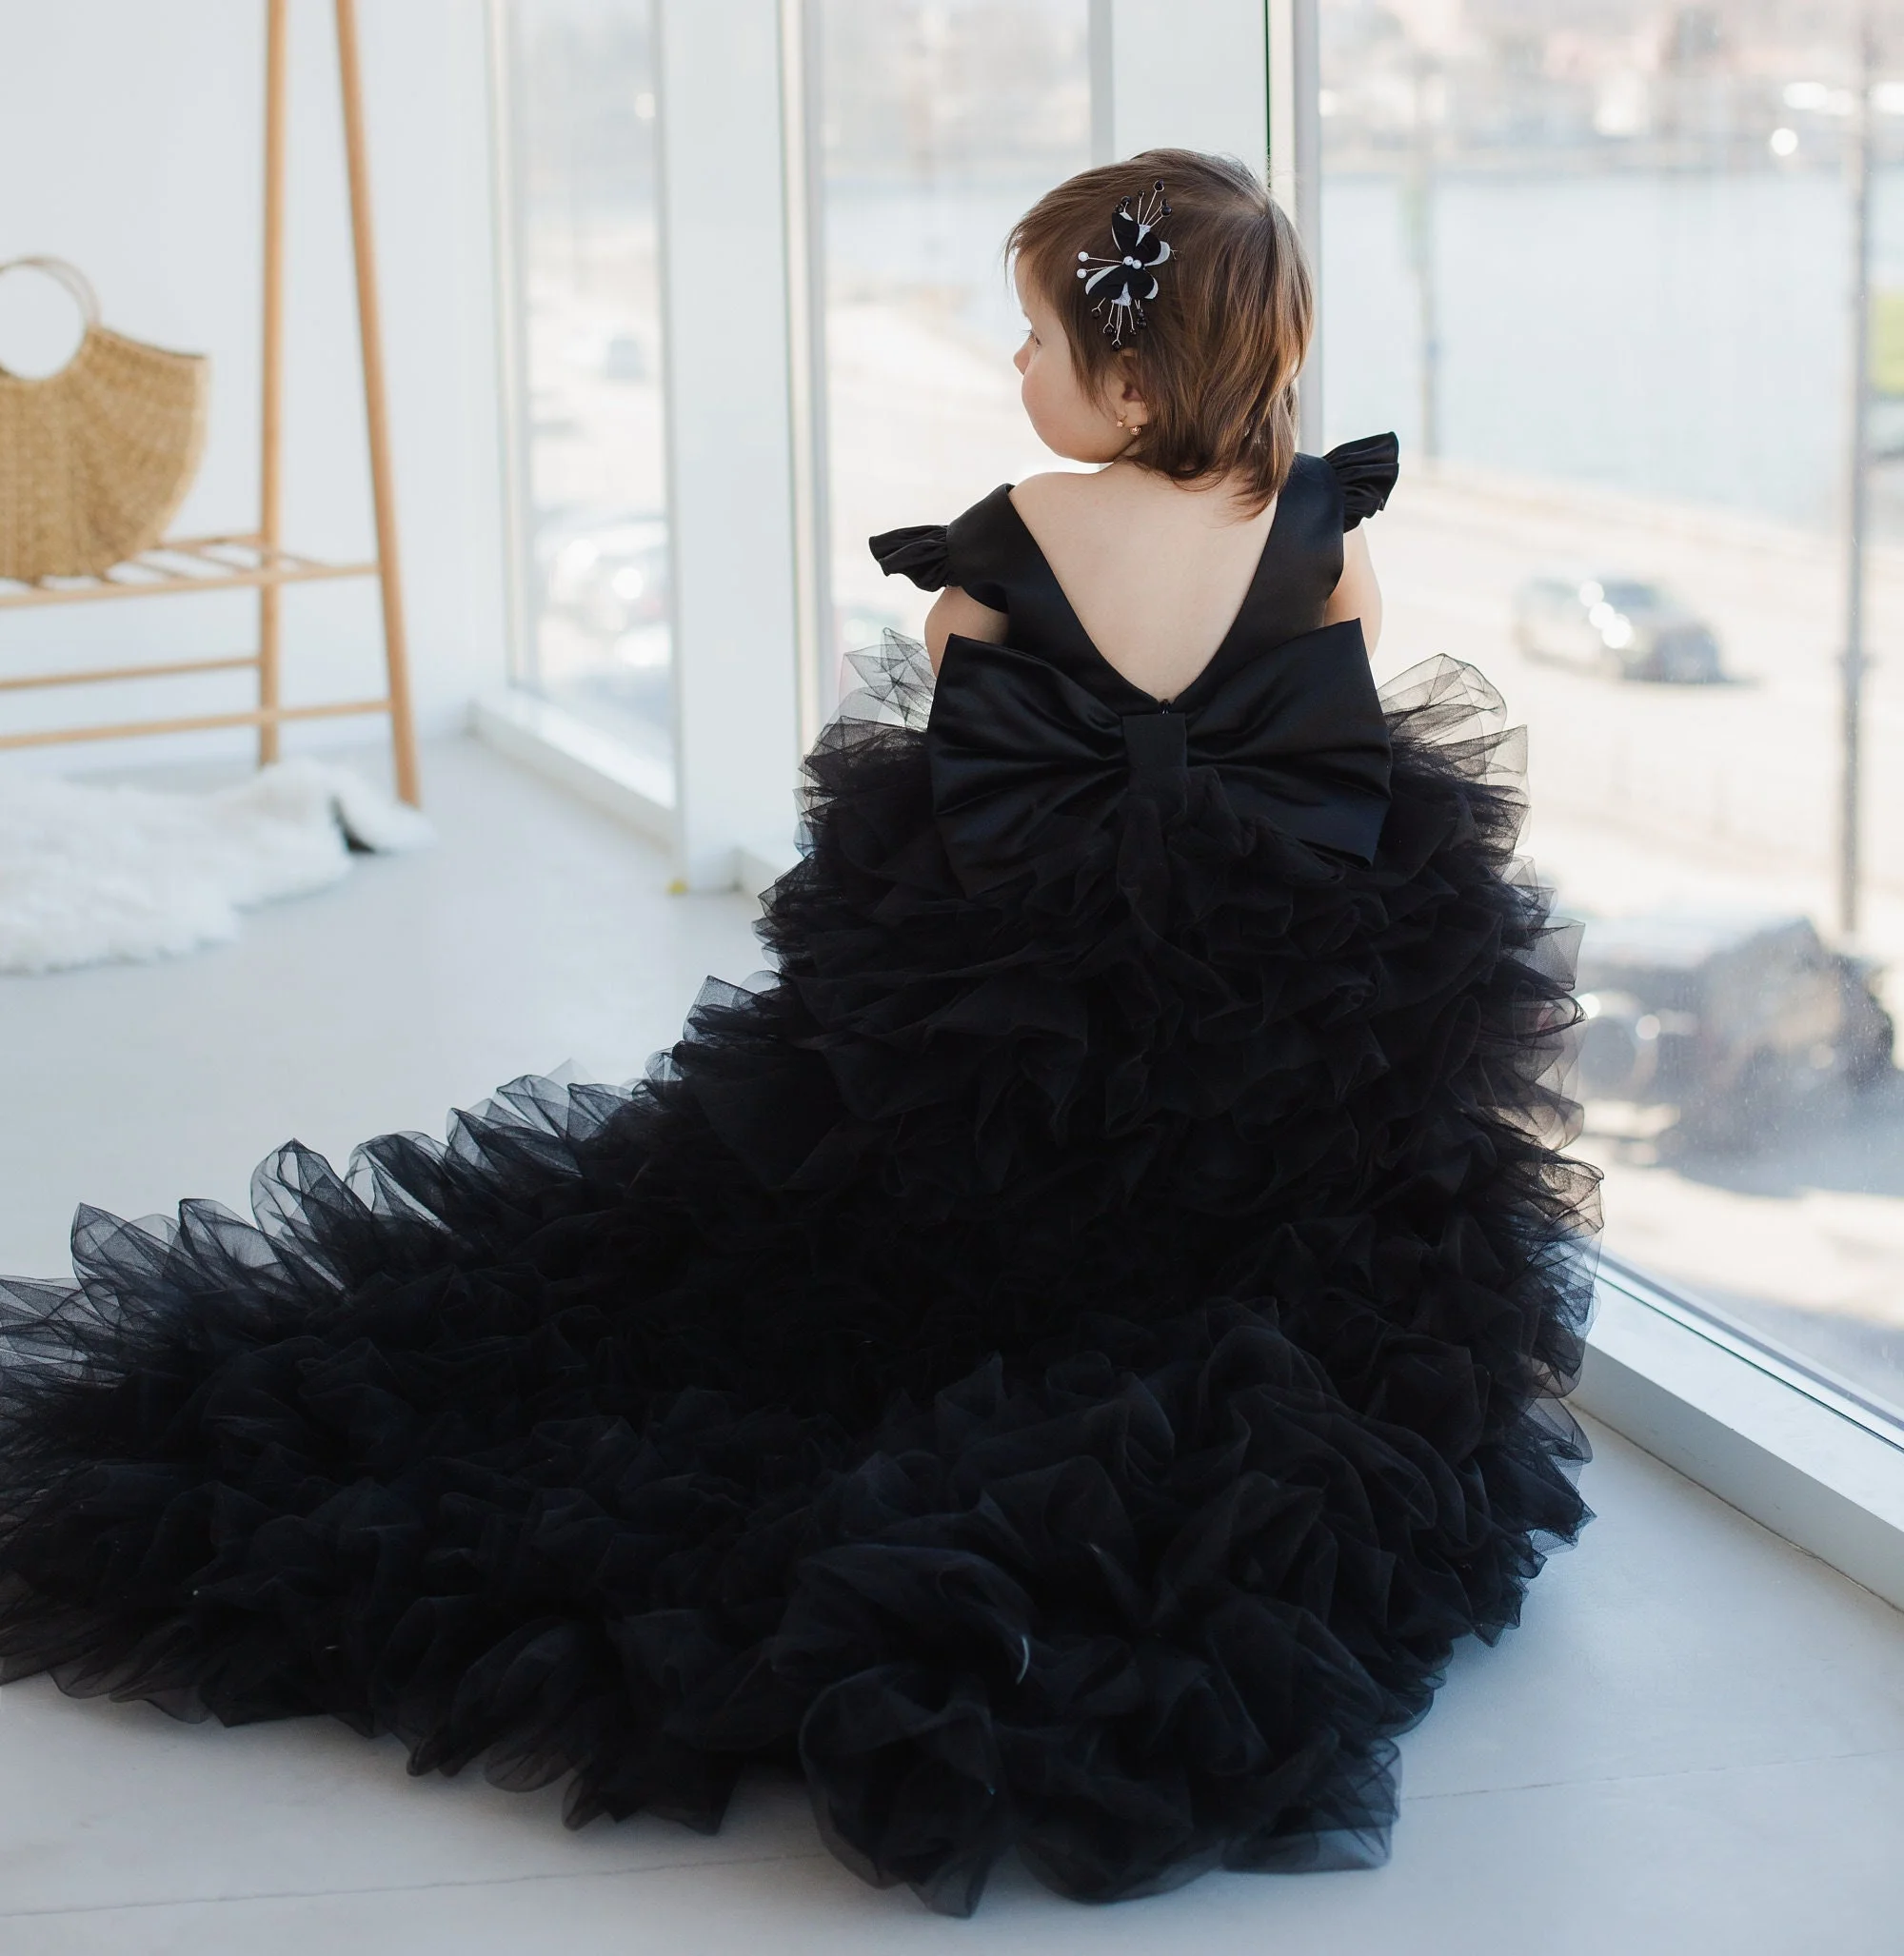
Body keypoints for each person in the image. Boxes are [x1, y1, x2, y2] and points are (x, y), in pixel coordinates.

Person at [0, 150, 1597, 1917]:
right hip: (1259, 1013)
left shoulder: (1017, 533)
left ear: (1127, 376)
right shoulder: (1318, 526)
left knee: (779, 1236)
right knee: (1299, 1197)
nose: (1015, 371)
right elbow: (1341, 724)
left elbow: (958, 686)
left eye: (1035, 337)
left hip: (1010, 1009)